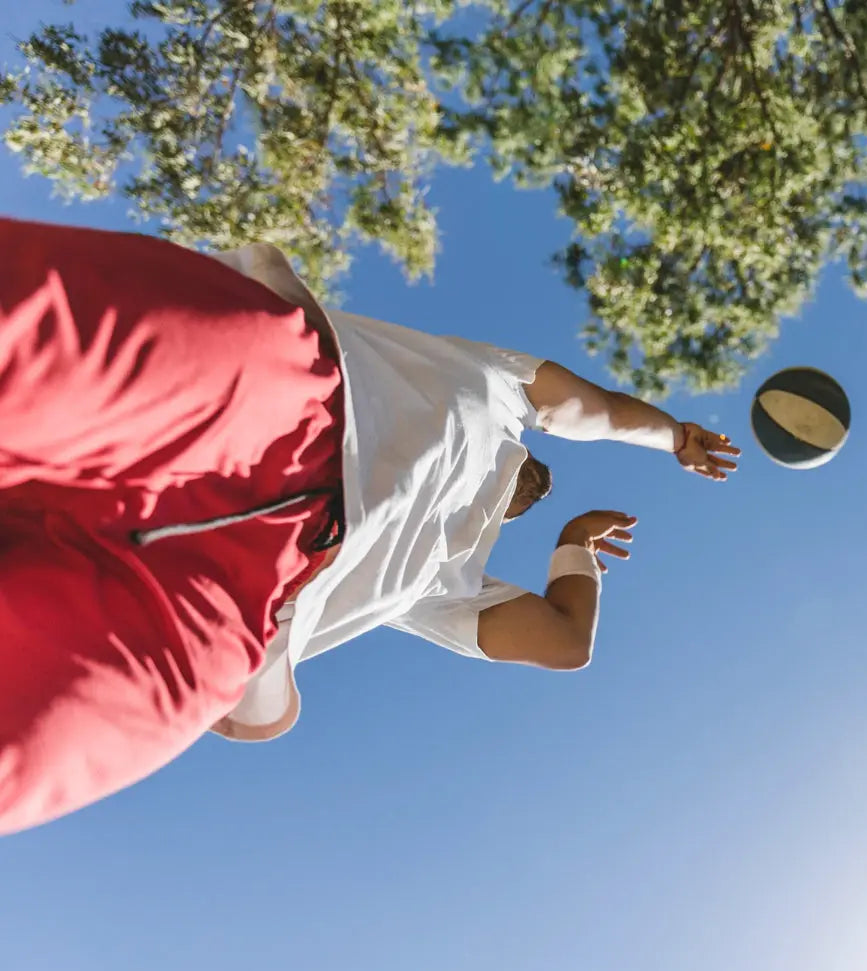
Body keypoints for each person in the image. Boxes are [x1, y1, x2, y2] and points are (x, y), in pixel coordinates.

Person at [0, 217, 739, 836]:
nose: (535, 491)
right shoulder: (505, 389)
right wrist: (673, 436)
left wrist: (573, 545)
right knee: (27, 334)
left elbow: (564, 641)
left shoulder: (446, 589)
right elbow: (601, 410)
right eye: (539, 482)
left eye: (537, 503)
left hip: (242, 604)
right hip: (276, 395)